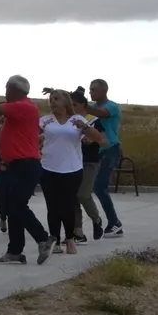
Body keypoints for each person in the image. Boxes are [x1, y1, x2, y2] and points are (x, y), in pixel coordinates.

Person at [0, 75, 55, 265]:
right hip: (17, 165)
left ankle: (43, 238)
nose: (5, 93)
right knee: (11, 207)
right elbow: (4, 134)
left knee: (16, 205)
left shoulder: (24, 106)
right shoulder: (19, 113)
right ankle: (15, 251)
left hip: (26, 164)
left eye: (7, 89)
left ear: (14, 89)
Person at [38, 89, 108, 255]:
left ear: (65, 102)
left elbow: (100, 139)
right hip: (48, 168)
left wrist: (84, 128)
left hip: (72, 169)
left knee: (67, 205)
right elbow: (35, 136)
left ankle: (70, 239)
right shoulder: (45, 121)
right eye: (51, 99)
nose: (53, 102)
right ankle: (54, 239)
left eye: (56, 99)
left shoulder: (77, 119)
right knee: (52, 206)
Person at [87, 79, 125, 237]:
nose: (91, 92)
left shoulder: (111, 106)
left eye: (94, 89)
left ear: (103, 90)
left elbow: (100, 114)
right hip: (98, 150)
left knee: (99, 186)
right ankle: (114, 223)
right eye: (90, 90)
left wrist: (81, 103)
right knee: (94, 187)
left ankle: (115, 223)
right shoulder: (92, 108)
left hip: (111, 149)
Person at [70, 87, 107, 242]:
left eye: (75, 105)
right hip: (72, 162)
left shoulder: (93, 120)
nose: (72, 108)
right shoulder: (69, 121)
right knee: (72, 197)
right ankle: (78, 232)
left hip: (89, 162)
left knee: (83, 195)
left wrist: (93, 139)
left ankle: (96, 219)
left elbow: (104, 140)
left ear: (83, 105)